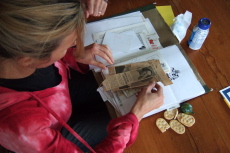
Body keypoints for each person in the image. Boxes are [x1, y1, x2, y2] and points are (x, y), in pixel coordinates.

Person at [0, 0, 164, 153]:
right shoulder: (23, 128)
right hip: (54, 135)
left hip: (62, 98)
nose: (74, 46)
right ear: (32, 59)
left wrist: (72, 56)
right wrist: (135, 115)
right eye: (68, 45)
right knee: (122, 116)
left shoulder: (14, 51)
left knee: (115, 94)